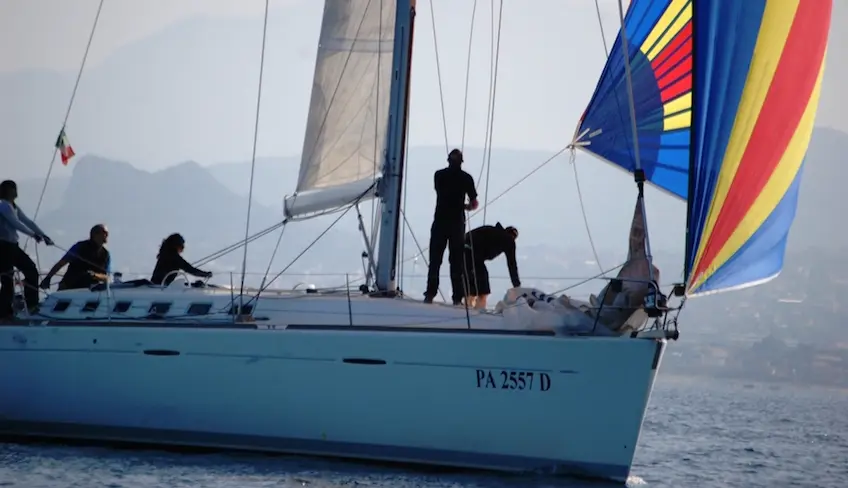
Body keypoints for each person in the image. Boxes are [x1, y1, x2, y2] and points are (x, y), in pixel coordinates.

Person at [424, 148, 478, 305]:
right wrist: (466, 207)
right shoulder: (466, 178)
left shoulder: (438, 175)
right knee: (456, 261)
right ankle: (456, 298)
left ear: (448, 160)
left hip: (440, 220)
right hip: (457, 223)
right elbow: (474, 203)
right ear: (461, 162)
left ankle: (430, 294)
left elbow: (440, 192)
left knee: (435, 260)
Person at [0, 180, 53, 318]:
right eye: (12, 189)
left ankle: (32, 304)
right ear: (7, 191)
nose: (15, 191)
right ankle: (5, 312)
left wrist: (43, 235)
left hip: (13, 246)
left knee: (31, 270)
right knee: (7, 279)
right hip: (3, 247)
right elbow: (15, 223)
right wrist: (33, 235)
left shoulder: (14, 206)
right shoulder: (3, 206)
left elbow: (27, 221)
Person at [463, 222, 521, 310]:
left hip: (462, 251)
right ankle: (479, 309)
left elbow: (468, 236)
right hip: (472, 253)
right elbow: (512, 264)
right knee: (483, 288)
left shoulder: (492, 230)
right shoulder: (508, 240)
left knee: (472, 283)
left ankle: (467, 306)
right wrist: (517, 286)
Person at [40, 224, 111, 291]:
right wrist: (48, 278)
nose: (107, 235)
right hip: (69, 286)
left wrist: (94, 275)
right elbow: (62, 263)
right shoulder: (80, 247)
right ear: (95, 234)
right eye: (104, 232)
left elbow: (107, 277)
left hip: (90, 290)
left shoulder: (106, 254)